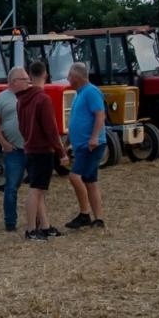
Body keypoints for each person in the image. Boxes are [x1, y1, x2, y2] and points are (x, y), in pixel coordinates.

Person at [16, 59, 68, 240]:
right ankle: (31, 229)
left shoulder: (21, 100)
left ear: (30, 76)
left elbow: (21, 126)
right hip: (42, 150)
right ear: (45, 74)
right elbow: (51, 130)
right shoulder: (43, 99)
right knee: (36, 190)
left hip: (30, 148)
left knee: (40, 190)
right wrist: (61, 152)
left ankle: (45, 226)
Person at [63, 60, 107, 231]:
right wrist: (67, 143)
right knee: (90, 180)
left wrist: (94, 137)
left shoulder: (91, 92)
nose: (67, 78)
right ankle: (99, 218)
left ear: (76, 77)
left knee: (75, 177)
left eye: (69, 75)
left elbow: (100, 115)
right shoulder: (78, 94)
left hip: (90, 145)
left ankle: (84, 214)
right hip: (81, 145)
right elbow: (75, 121)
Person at [0, 66, 29, 232]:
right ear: (14, 81)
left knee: (37, 187)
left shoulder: (31, 96)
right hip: (14, 151)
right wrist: (4, 144)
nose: (28, 82)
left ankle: (39, 220)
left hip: (33, 149)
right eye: (24, 79)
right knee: (11, 187)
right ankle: (10, 222)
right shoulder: (0, 99)